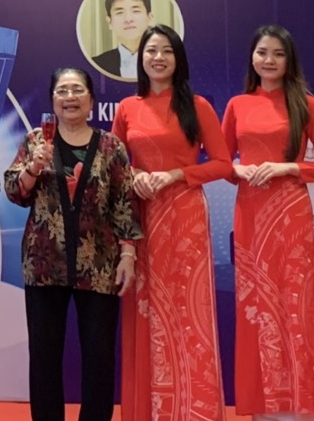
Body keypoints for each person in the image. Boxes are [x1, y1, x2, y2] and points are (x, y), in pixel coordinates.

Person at [3, 66, 140, 421]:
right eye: (62, 91)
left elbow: (124, 202)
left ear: (91, 101)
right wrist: (32, 168)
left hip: (100, 266)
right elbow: (14, 192)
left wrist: (128, 254)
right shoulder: (36, 141)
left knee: (99, 356)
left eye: (77, 90)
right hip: (44, 264)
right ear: (52, 100)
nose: (70, 97)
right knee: (44, 356)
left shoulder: (111, 146)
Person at [222, 24, 314, 420]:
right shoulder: (238, 104)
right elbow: (222, 163)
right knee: (256, 307)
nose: (269, 60)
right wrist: (240, 170)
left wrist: (286, 167)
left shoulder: (307, 105)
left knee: (295, 306)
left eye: (278, 53)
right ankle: (263, 405)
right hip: (251, 216)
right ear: (252, 58)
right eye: (262, 52)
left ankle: (300, 405)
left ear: (290, 60)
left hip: (290, 215)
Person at [111, 24, 230, 421]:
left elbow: (222, 164)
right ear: (140, 58)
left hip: (185, 218)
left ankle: (193, 410)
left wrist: (178, 174)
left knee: (188, 312)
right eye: (151, 51)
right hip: (142, 218)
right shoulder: (127, 108)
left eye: (166, 51)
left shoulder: (197, 106)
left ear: (178, 59)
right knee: (146, 309)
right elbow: (113, 165)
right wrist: (134, 177)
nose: (158, 57)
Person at [90, 0, 153, 79]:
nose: (128, 19)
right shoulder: (97, 64)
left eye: (136, 11)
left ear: (149, 18)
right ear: (109, 22)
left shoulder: (165, 60)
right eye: (120, 12)